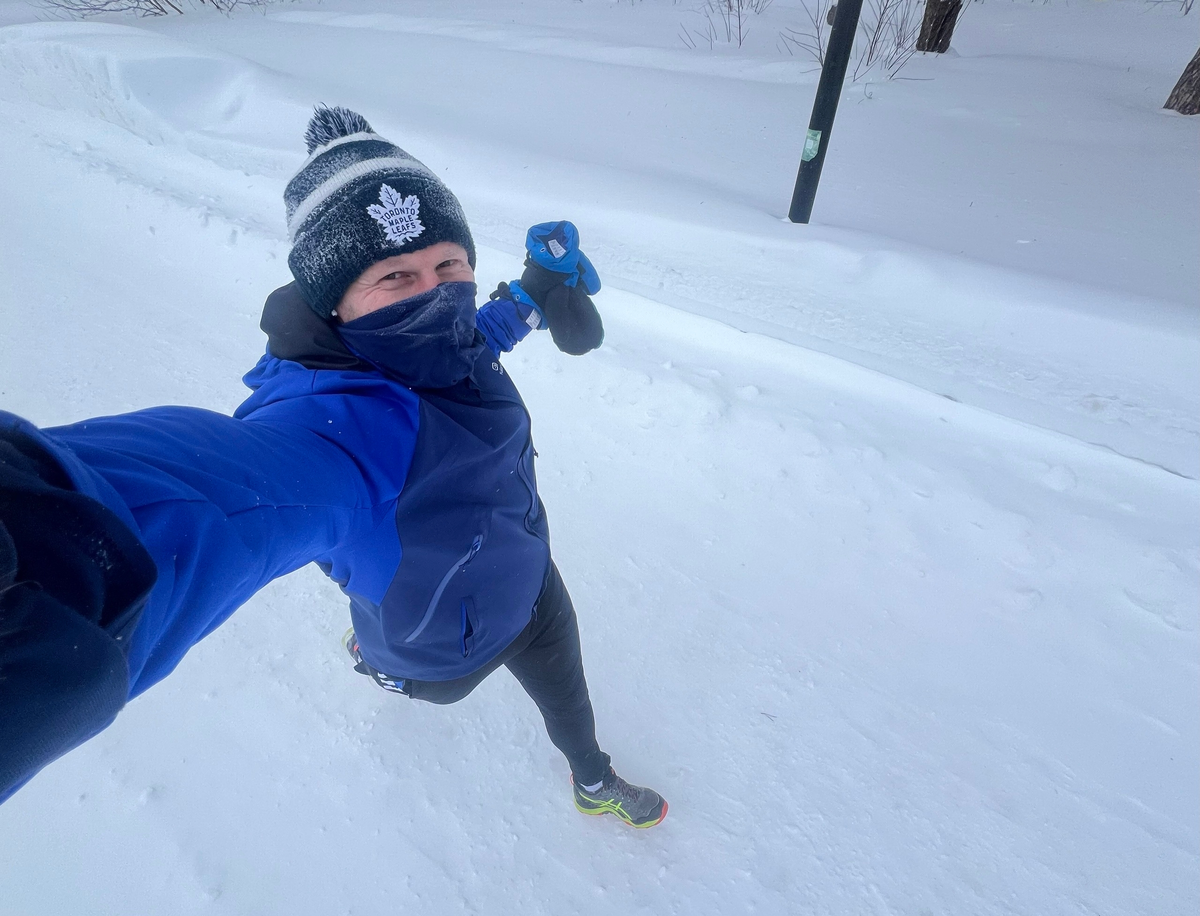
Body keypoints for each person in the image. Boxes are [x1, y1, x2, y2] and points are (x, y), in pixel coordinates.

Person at [0, 106, 666, 828]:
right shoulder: (337, 432)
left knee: (572, 704)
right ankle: (376, 655)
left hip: (533, 580)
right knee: (412, 670)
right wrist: (47, 544)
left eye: (450, 264)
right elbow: (200, 493)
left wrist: (535, 290)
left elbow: (478, 336)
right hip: (440, 652)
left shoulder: (440, 342)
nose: (436, 292)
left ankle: (592, 781)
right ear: (337, 306)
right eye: (396, 276)